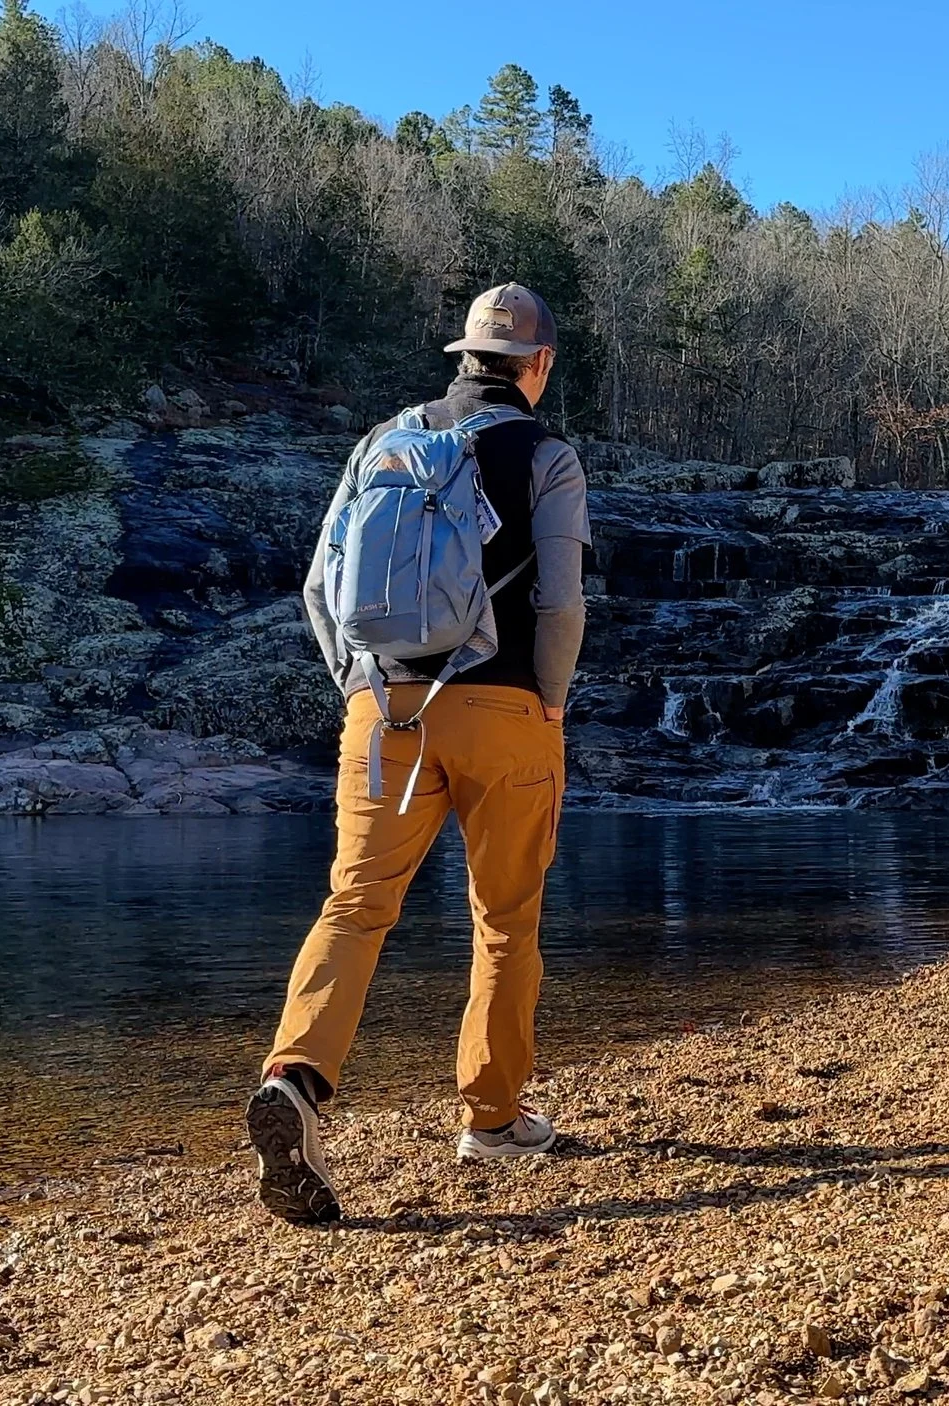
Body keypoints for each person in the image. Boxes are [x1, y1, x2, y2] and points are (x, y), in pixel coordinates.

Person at [244, 284, 590, 1225]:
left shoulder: (384, 442)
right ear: (539, 364)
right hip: (507, 708)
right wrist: (549, 701)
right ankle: (493, 1117)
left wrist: (360, 686)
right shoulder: (547, 455)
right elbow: (560, 602)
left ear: (462, 355)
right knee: (505, 919)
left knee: (356, 904)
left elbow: (319, 586)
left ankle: (295, 1078)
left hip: (386, 708)